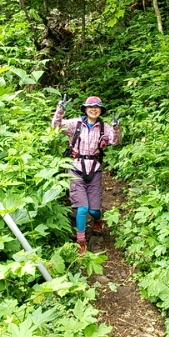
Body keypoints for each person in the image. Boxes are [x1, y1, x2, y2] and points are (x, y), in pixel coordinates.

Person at [52, 95, 121, 254]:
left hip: (94, 169)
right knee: (82, 208)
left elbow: (115, 141)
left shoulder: (104, 127)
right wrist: (60, 110)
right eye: (91, 107)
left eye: (97, 107)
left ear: (101, 110)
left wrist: (117, 128)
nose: (93, 109)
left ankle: (98, 220)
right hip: (76, 168)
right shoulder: (75, 124)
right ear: (85, 109)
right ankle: (81, 241)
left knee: (94, 210)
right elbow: (56, 126)